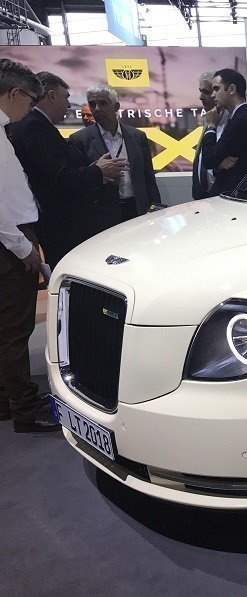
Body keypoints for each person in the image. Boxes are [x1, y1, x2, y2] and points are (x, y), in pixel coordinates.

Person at [11, 72, 127, 267]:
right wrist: (98, 171)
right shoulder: (34, 126)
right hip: (61, 224)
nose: (68, 105)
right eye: (66, 97)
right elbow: (59, 176)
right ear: (51, 96)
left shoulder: (38, 125)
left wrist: (94, 169)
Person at [0, 59, 60, 433]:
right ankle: (25, 408)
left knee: (6, 328)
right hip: (10, 242)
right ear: (15, 93)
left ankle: (7, 401)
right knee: (15, 330)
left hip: (12, 236)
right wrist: (22, 247)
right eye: (31, 100)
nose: (30, 108)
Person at [70, 83, 161, 232]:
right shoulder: (80, 140)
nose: (97, 109)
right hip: (103, 216)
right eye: (92, 104)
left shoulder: (137, 136)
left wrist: (156, 208)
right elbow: (78, 183)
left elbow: (148, 178)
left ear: (116, 106)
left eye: (103, 103)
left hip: (138, 210)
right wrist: (98, 173)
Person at [201, 68, 247, 196]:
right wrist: (219, 165)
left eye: (216, 89)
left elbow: (208, 159)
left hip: (232, 194)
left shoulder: (240, 120)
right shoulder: (241, 116)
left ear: (232, 89)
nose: (212, 95)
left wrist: (211, 126)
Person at [192, 71, 231, 200]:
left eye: (206, 92)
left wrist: (217, 167)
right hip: (203, 197)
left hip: (221, 197)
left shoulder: (231, 121)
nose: (201, 97)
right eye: (200, 91)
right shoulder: (209, 119)